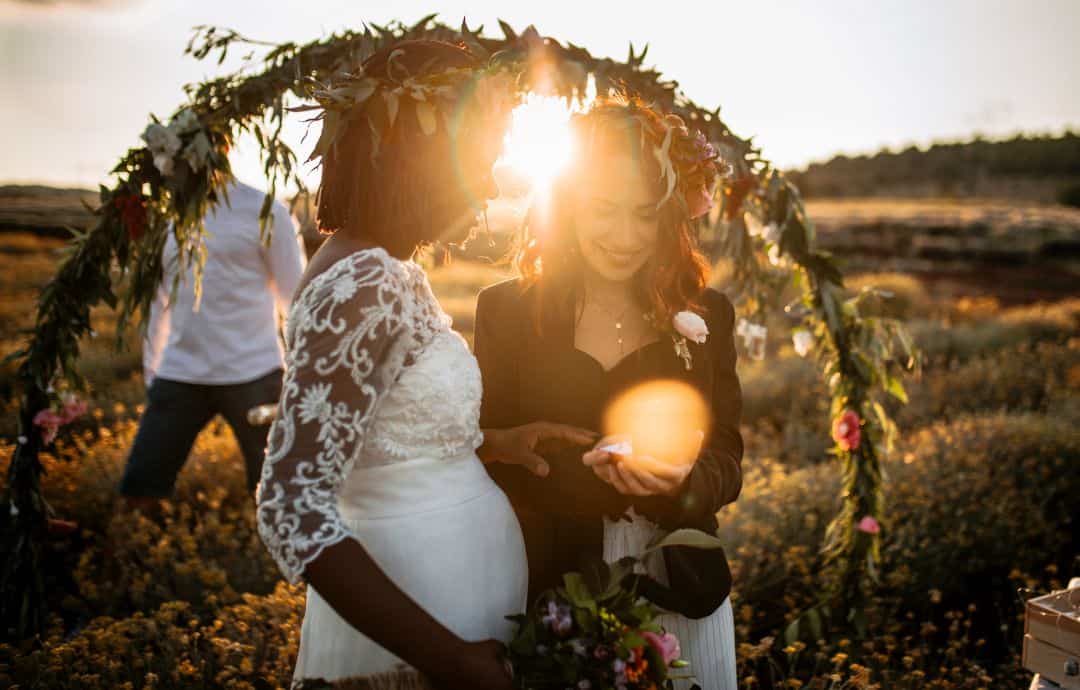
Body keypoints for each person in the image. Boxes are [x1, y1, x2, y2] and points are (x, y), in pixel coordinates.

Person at [255, 41, 586, 689]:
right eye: (480, 161)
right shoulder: (366, 281)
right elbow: (290, 503)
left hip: (455, 602)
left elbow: (377, 437)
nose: (491, 184)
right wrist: (449, 659)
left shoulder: (382, 266)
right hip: (423, 625)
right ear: (423, 160)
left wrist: (490, 444)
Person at [476, 98, 743, 690]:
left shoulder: (709, 315)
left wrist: (685, 480)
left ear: (671, 216)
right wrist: (529, 455)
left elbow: (727, 452)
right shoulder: (506, 311)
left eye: (645, 214)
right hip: (551, 589)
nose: (626, 237)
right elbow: (484, 451)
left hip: (677, 583)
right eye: (603, 210)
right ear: (566, 206)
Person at [118, 179, 306, 508]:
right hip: (180, 372)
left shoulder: (265, 211)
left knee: (279, 492)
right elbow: (158, 300)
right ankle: (143, 554)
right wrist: (153, 368)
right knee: (140, 487)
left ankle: (264, 556)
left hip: (254, 371)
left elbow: (296, 299)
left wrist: (302, 370)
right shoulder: (167, 215)